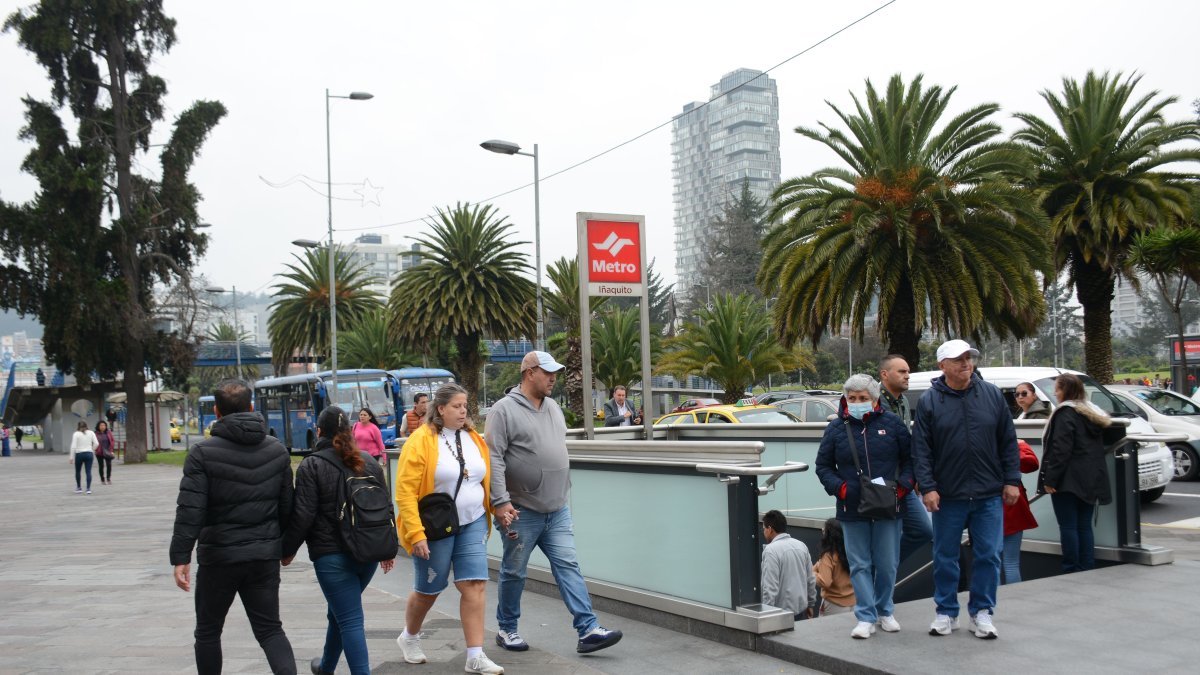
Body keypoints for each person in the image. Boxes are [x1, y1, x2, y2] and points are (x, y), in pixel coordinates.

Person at [487, 351, 623, 655]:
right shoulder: (503, 411)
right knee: (514, 571)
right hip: (521, 510)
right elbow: (493, 458)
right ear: (528, 373)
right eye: (547, 372)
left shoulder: (553, 408)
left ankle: (587, 630)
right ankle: (507, 629)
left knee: (568, 565)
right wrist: (499, 501)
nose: (553, 378)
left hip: (556, 507)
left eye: (555, 373)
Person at [169, 378, 296, 675]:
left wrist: (180, 557)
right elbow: (287, 505)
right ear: (252, 407)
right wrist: (286, 547)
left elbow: (191, 509)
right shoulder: (277, 450)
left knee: (208, 631)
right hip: (263, 556)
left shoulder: (202, 453)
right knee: (270, 630)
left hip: (219, 559)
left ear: (216, 411)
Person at [912, 339, 1020, 640]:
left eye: (969, 358)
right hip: (948, 496)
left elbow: (1008, 441)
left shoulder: (991, 395)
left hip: (988, 494)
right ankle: (946, 612)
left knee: (989, 555)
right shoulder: (930, 402)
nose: (966, 364)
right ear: (942, 365)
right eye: (958, 359)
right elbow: (921, 450)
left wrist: (1011, 480)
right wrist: (929, 488)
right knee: (945, 556)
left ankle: (982, 613)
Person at [393, 383, 503, 674]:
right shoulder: (420, 441)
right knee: (430, 589)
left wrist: (499, 507)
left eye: (465, 405)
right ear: (440, 409)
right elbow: (404, 492)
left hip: (473, 521)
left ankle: (475, 655)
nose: (463, 410)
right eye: (456, 405)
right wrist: (415, 534)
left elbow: (484, 478)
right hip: (435, 527)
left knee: (475, 583)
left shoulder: (473, 438)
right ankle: (410, 637)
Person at [282, 406, 396, 675]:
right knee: (341, 614)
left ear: (319, 432)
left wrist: (286, 550)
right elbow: (385, 507)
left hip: (331, 556)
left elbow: (303, 515)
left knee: (350, 619)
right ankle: (326, 667)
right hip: (366, 553)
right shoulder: (368, 461)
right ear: (350, 431)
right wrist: (388, 547)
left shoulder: (312, 464)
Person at [814, 374, 913, 639]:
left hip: (888, 503)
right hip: (851, 506)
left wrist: (903, 487)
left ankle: (885, 611)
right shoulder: (836, 429)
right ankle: (866, 616)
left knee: (887, 562)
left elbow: (910, 459)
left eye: (863, 398)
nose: (857, 402)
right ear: (845, 399)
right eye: (852, 398)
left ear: (875, 399)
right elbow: (823, 466)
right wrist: (841, 488)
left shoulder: (892, 424)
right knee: (859, 563)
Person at [1037, 373, 1112, 573]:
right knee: (1084, 526)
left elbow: (1060, 449)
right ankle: (1087, 565)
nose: (1055, 392)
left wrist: (1050, 479)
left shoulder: (1065, 413)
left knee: (1068, 526)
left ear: (1065, 391)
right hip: (1091, 478)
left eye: (1058, 389)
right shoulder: (1091, 413)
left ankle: (1071, 567)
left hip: (1068, 480)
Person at [878, 354, 932, 566]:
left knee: (922, 530)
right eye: (902, 371)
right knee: (886, 540)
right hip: (881, 485)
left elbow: (906, 444)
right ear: (885, 374)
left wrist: (915, 475)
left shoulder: (902, 401)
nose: (907, 376)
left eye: (908, 371)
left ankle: (883, 570)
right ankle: (880, 578)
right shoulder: (872, 400)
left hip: (903, 482)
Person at [760, 509, 816, 620]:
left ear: (770, 529)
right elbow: (810, 579)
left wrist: (766, 615)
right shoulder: (801, 546)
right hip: (801, 611)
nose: (764, 532)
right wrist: (811, 604)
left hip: (779, 615)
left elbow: (769, 587)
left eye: (764, 529)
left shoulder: (771, 550)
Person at [1001, 439, 1039, 584]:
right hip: (1013, 505)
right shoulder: (1011, 444)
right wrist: (1018, 444)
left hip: (985, 506)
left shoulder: (978, 443)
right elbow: (1031, 463)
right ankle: (1014, 599)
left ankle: (991, 600)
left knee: (990, 562)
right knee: (1011, 562)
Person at [813, 518, 855, 617]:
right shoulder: (851, 551)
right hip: (854, 601)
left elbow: (825, 581)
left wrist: (811, 574)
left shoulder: (828, 555)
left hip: (834, 604)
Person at [69, 420, 98, 494]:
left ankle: (79, 487)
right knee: (88, 471)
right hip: (89, 453)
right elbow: (96, 443)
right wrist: (92, 449)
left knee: (78, 471)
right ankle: (88, 489)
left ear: (78, 426)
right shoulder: (91, 433)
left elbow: (73, 446)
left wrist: (71, 457)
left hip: (79, 454)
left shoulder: (76, 434)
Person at [94, 421, 116, 485]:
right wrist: (96, 449)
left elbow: (112, 440)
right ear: (98, 426)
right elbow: (93, 442)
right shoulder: (96, 433)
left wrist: (111, 450)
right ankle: (102, 479)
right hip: (99, 452)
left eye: (104, 425)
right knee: (101, 466)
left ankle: (108, 478)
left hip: (108, 451)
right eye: (101, 425)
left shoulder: (108, 432)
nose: (103, 427)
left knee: (109, 465)